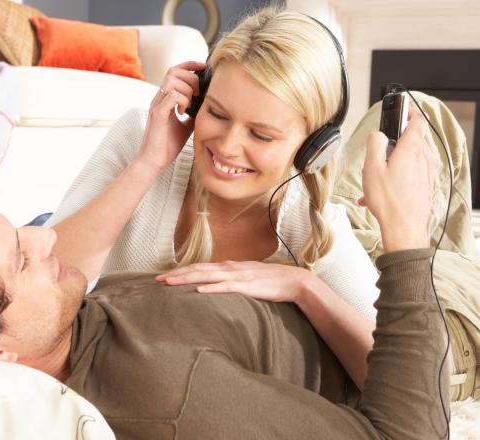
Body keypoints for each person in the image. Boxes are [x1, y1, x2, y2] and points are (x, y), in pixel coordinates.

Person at [0, 101, 447, 439]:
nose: (45, 239)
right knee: (424, 122)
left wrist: (150, 158)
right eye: (22, 258)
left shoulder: (54, 324)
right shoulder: (173, 401)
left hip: (327, 273)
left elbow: (63, 255)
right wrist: (404, 237)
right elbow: (413, 432)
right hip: (420, 333)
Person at [44, 9, 380, 391]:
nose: (227, 147)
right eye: (217, 113)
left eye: (261, 135)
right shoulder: (143, 135)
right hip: (58, 225)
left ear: (313, 148)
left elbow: (395, 380)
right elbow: (42, 292)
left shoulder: (313, 223)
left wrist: (305, 286)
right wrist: (148, 163)